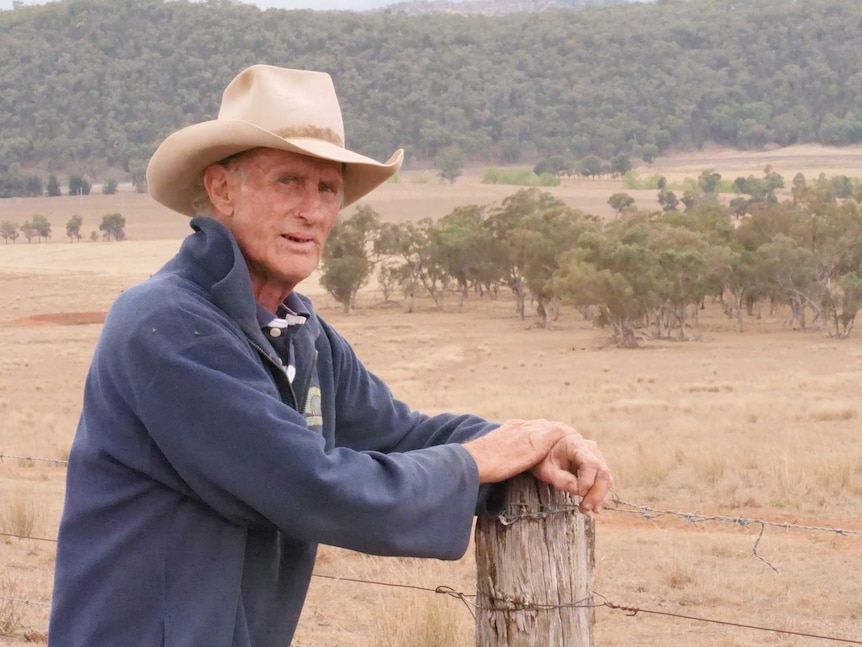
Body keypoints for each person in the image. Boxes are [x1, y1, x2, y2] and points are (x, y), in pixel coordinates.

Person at [48, 64, 613, 647]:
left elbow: (398, 435)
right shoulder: (166, 324)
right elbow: (309, 484)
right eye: (288, 181)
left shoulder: (300, 330)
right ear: (221, 190)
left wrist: (531, 442)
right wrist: (487, 458)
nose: (312, 211)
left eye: (327, 189)